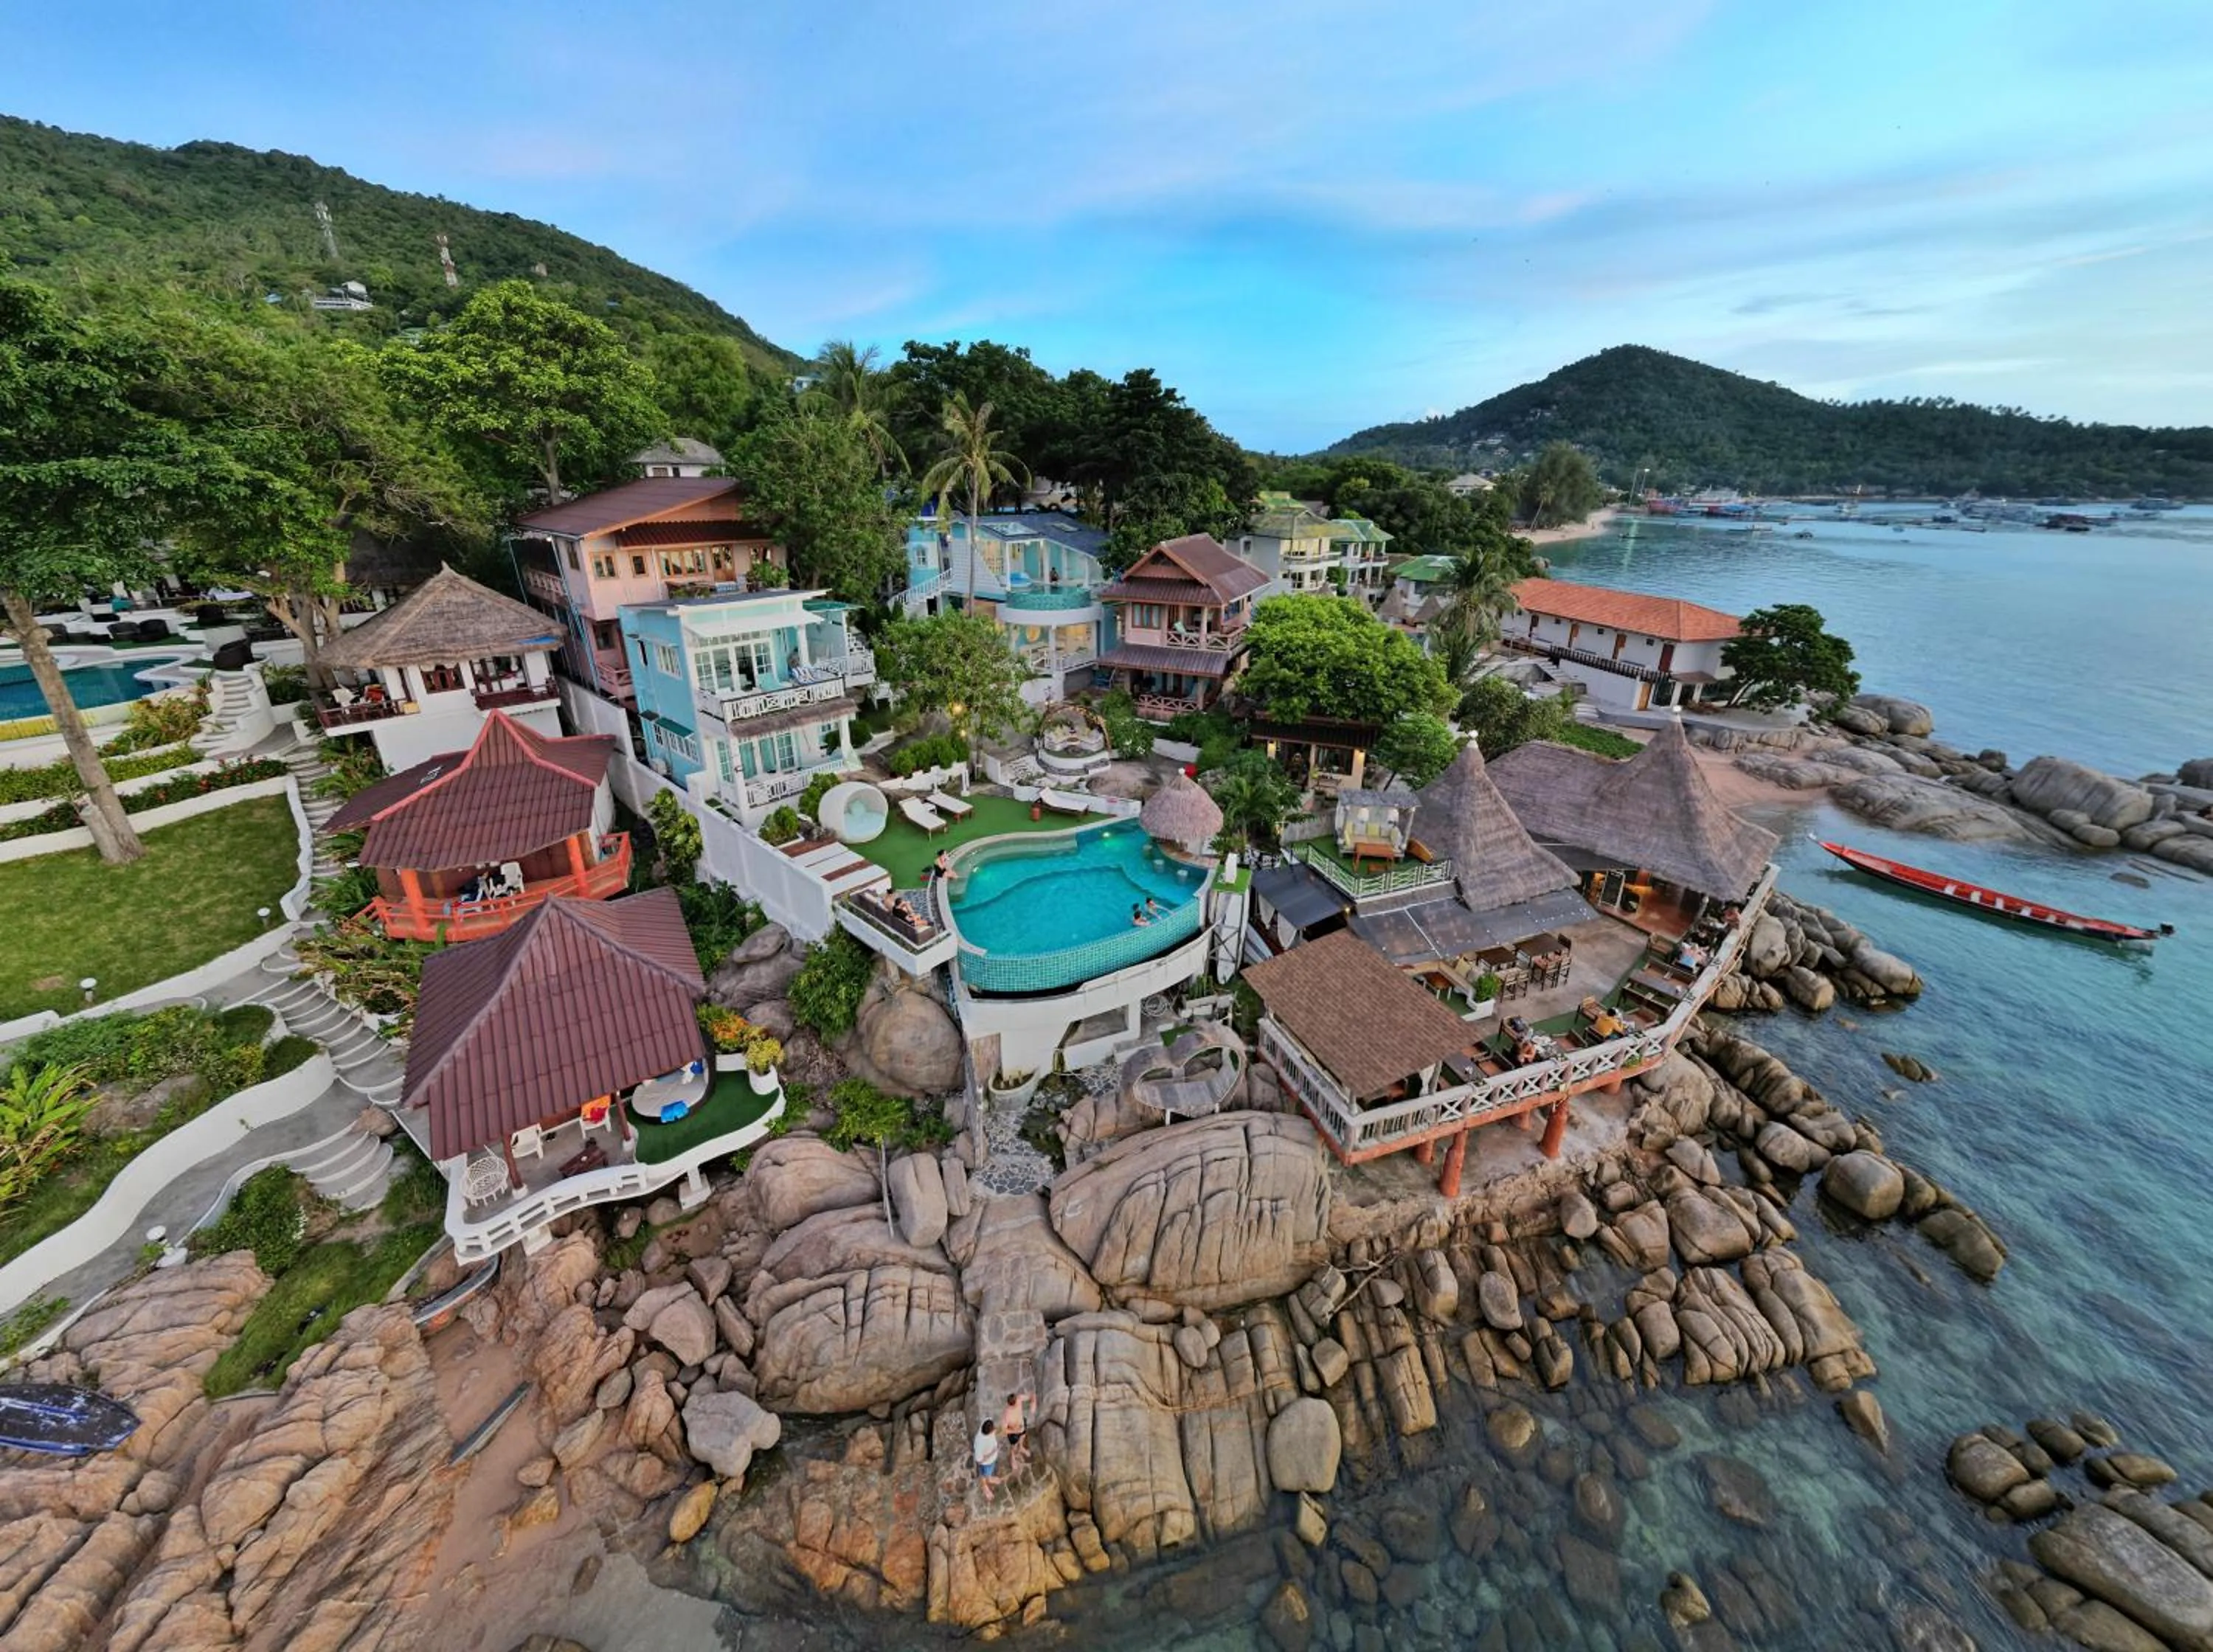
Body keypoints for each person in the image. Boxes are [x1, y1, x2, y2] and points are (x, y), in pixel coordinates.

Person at [1000, 1392, 1033, 1474]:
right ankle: (1012, 1457)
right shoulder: (1007, 1414)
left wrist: (1033, 1402)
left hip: (1022, 1425)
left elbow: (1031, 1396)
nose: (1017, 1405)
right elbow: (1004, 1430)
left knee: (1023, 1437)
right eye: (1015, 1405)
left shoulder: (1019, 1398)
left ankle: (1021, 1447)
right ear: (1011, 1405)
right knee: (1014, 1447)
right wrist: (1015, 1431)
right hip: (1013, 1432)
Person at [973, 1417, 1000, 1502]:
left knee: (988, 1473)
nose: (994, 1429)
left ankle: (989, 1478)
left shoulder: (987, 1421)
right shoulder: (980, 1444)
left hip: (991, 1460)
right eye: (993, 1430)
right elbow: (979, 1461)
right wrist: (992, 1452)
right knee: (984, 1474)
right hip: (986, 1463)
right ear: (989, 1432)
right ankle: (985, 1487)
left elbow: (990, 1421)